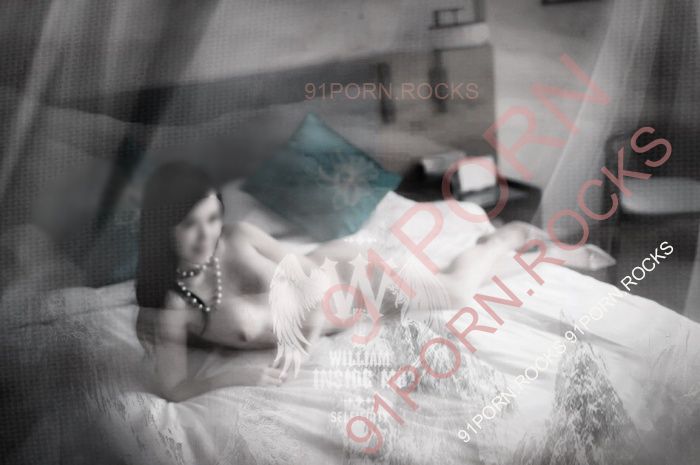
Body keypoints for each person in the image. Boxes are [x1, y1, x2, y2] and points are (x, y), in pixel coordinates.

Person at [135, 161, 537, 402]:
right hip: (340, 316)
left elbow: (312, 281)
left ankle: (503, 238)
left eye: (212, 218)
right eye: (189, 224)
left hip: (344, 278)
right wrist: (233, 376)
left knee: (455, 291)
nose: (206, 235)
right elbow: (174, 388)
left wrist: (300, 346)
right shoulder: (174, 305)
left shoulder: (239, 237)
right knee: (439, 283)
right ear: (162, 226)